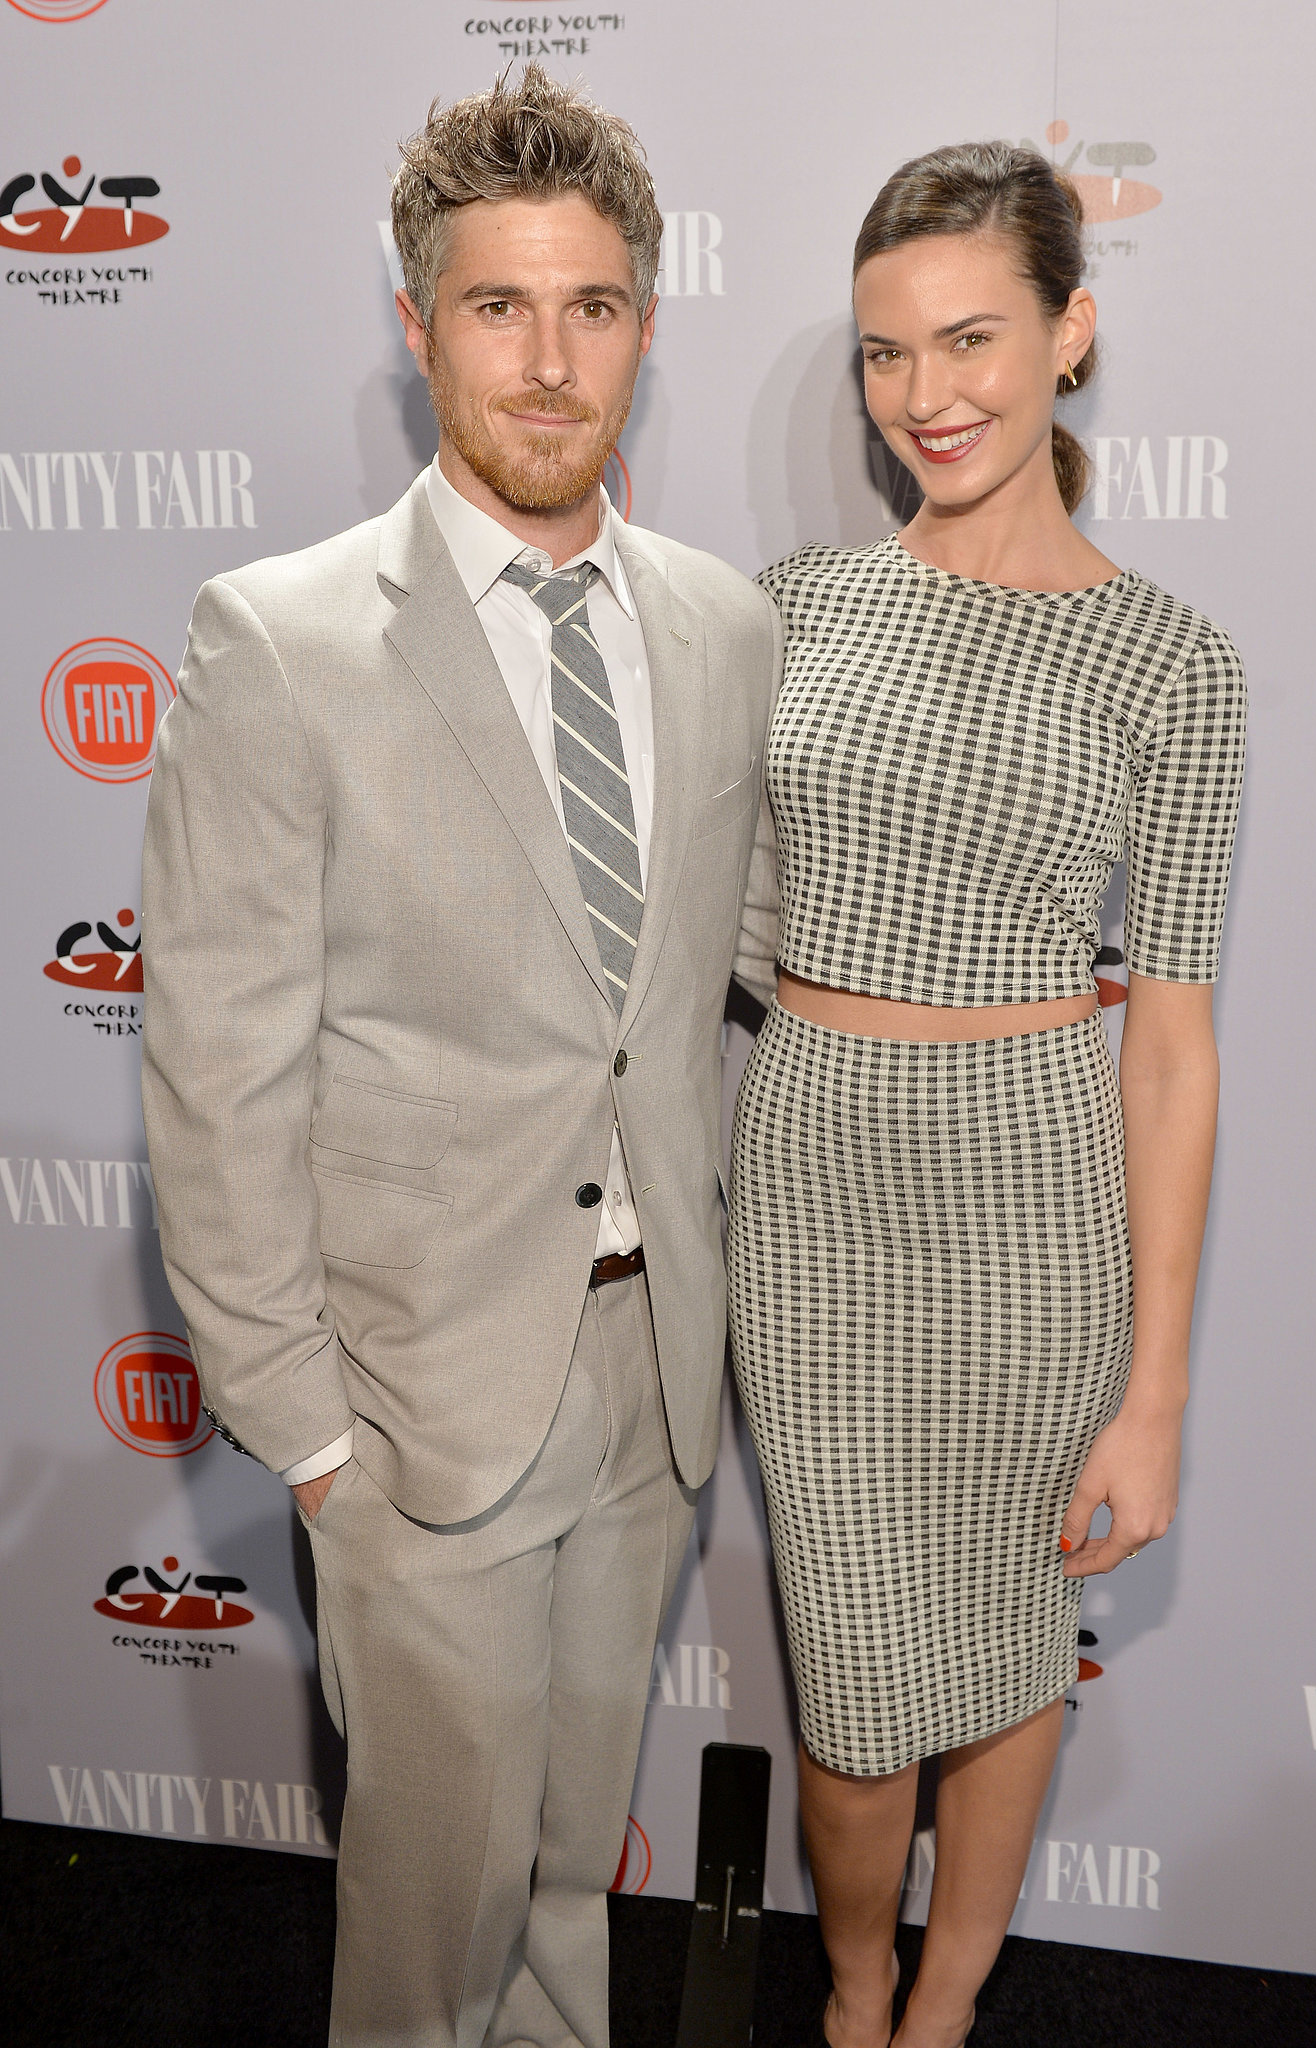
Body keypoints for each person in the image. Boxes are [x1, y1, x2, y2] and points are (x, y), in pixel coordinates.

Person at [141, 67, 779, 2048]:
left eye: (592, 304)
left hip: (650, 1365)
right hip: (417, 1395)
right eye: (498, 305)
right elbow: (218, 1067)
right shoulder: (284, 638)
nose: (548, 355)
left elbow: (716, 980)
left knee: (573, 1859)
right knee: (428, 1925)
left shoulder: (722, 624)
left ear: (647, 329)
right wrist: (309, 1432)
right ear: (420, 327)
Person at [728, 142, 1246, 2048]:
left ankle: (942, 2011)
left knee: (1019, 1646)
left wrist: (1158, 1393)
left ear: (1069, 335)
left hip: (1037, 1209)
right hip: (810, 1190)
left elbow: (1171, 1038)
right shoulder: (790, 605)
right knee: (861, 1688)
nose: (927, 397)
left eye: (969, 342)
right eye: (885, 355)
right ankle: (854, 1986)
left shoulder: (1176, 667)